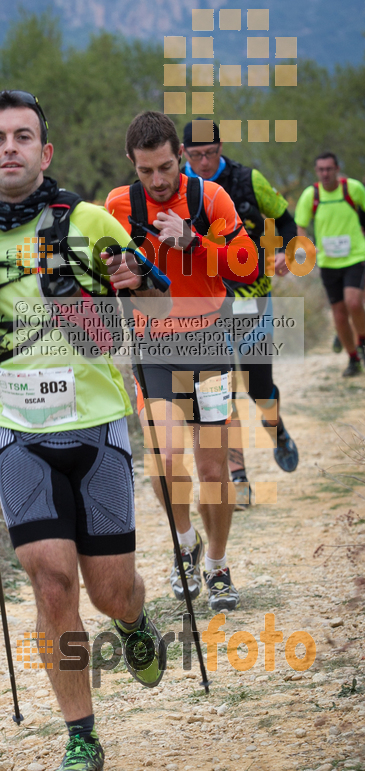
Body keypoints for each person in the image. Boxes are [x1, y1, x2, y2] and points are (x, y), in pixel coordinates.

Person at [0, 90, 169, 771]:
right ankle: (81, 740)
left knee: (111, 590)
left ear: (44, 152)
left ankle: (134, 620)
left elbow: (150, 301)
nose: (9, 148)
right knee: (50, 578)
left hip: (95, 428)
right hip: (15, 434)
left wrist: (133, 282)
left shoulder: (88, 222)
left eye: (22, 136)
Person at [106, 111, 259, 611]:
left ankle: (216, 565)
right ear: (133, 163)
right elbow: (106, 278)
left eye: (166, 168)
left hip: (209, 341)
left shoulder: (209, 198)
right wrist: (118, 276)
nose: (157, 180)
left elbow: (247, 263)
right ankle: (184, 542)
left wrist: (195, 243)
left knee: (212, 471)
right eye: (146, 171)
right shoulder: (119, 205)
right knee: (164, 461)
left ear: (180, 157)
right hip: (153, 347)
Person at [181, 120, 299, 510]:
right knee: (222, 392)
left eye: (209, 153)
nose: (202, 161)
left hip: (254, 298)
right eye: (194, 155)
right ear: (183, 153)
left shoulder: (249, 180)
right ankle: (239, 478)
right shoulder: (177, 188)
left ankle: (276, 428)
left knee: (258, 387)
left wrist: (283, 250)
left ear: (220, 148)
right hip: (205, 306)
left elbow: (284, 219)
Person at [295, 150, 365, 377]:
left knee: (354, 303)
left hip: (355, 256)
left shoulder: (353, 189)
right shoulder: (311, 195)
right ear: (317, 172)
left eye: (329, 169)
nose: (325, 173)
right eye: (321, 170)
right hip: (328, 262)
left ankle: (361, 340)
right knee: (339, 313)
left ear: (337, 169)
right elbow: (301, 226)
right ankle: (353, 359)